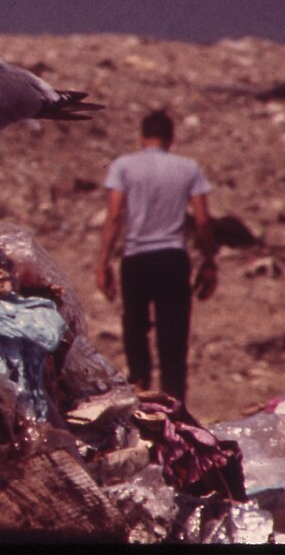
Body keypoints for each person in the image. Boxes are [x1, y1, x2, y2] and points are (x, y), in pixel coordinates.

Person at [94, 109, 218, 402]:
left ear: (142, 137)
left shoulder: (123, 166)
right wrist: (210, 261)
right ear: (171, 138)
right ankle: (175, 406)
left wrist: (103, 263)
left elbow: (114, 217)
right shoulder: (188, 168)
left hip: (136, 259)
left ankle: (140, 398)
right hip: (173, 259)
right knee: (173, 340)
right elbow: (202, 220)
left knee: (135, 330)